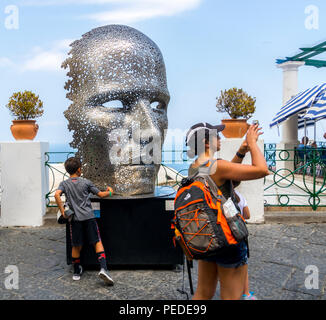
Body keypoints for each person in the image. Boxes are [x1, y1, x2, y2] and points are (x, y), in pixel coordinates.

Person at [186, 122, 269, 300]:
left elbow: (228, 183)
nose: (220, 138)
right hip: (228, 238)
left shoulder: (194, 168)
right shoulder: (217, 165)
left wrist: (241, 152)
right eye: (216, 135)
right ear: (205, 142)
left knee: (202, 294)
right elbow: (262, 170)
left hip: (208, 238)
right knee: (232, 297)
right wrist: (253, 143)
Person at [54, 157, 114, 285]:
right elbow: (101, 195)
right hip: (89, 217)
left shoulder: (64, 184)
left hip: (75, 219)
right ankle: (104, 268)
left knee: (76, 245)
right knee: (97, 242)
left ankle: (76, 271)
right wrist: (110, 192)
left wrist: (63, 211)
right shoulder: (86, 182)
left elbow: (56, 194)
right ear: (79, 169)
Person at [233, 190, 257, 300]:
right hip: (237, 236)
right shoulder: (239, 196)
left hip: (220, 238)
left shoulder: (215, 193)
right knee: (243, 266)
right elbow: (247, 215)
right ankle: (246, 293)